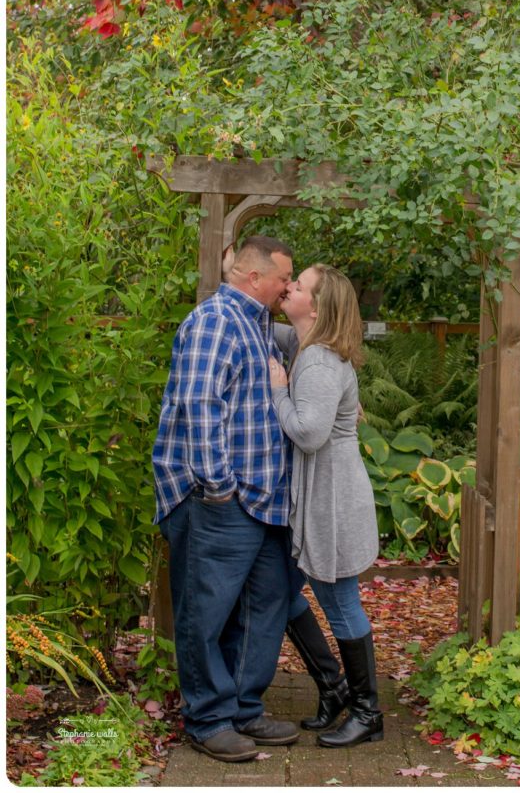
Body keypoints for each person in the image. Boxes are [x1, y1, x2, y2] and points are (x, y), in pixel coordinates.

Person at [152, 235, 300, 762]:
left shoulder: (257, 325)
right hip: (218, 499)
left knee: (266, 605)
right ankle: (209, 718)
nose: (289, 286)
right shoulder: (215, 321)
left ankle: (242, 707)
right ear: (254, 278)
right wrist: (217, 486)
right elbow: (198, 404)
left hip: (261, 500)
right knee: (206, 612)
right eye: (284, 277)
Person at [269, 264, 383, 748]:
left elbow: (310, 434)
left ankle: (367, 711)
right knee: (283, 589)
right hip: (330, 491)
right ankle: (334, 688)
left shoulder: (315, 361)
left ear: (314, 306)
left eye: (298, 285)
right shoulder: (315, 350)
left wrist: (278, 390)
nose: (288, 286)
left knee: (340, 605)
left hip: (331, 500)